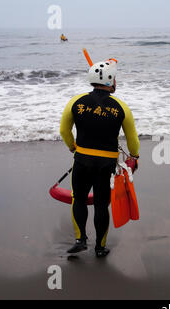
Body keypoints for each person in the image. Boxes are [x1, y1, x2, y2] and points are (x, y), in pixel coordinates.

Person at [59, 58, 140, 258]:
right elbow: (133, 140)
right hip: (106, 165)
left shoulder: (75, 102)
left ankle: (80, 240)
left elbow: (64, 130)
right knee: (101, 205)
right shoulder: (121, 107)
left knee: (78, 199)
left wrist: (72, 147)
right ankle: (100, 248)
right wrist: (135, 156)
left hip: (82, 161)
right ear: (111, 81)